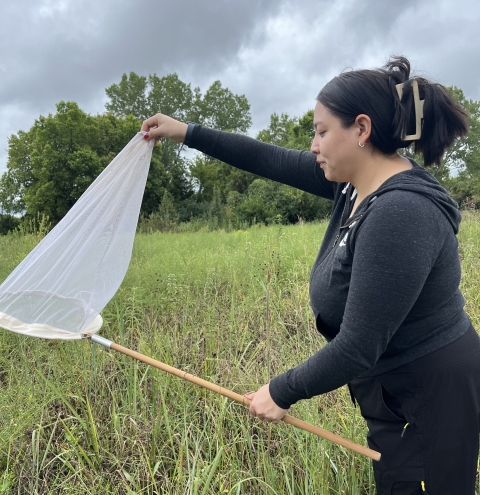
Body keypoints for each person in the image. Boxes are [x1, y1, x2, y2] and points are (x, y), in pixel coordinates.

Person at [141, 56, 480, 494]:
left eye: (322, 132)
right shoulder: (353, 184)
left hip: (431, 393)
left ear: (361, 129)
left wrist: (281, 391)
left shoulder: (401, 213)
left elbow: (358, 345)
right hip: (394, 389)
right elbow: (269, 158)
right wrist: (187, 132)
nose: (314, 145)